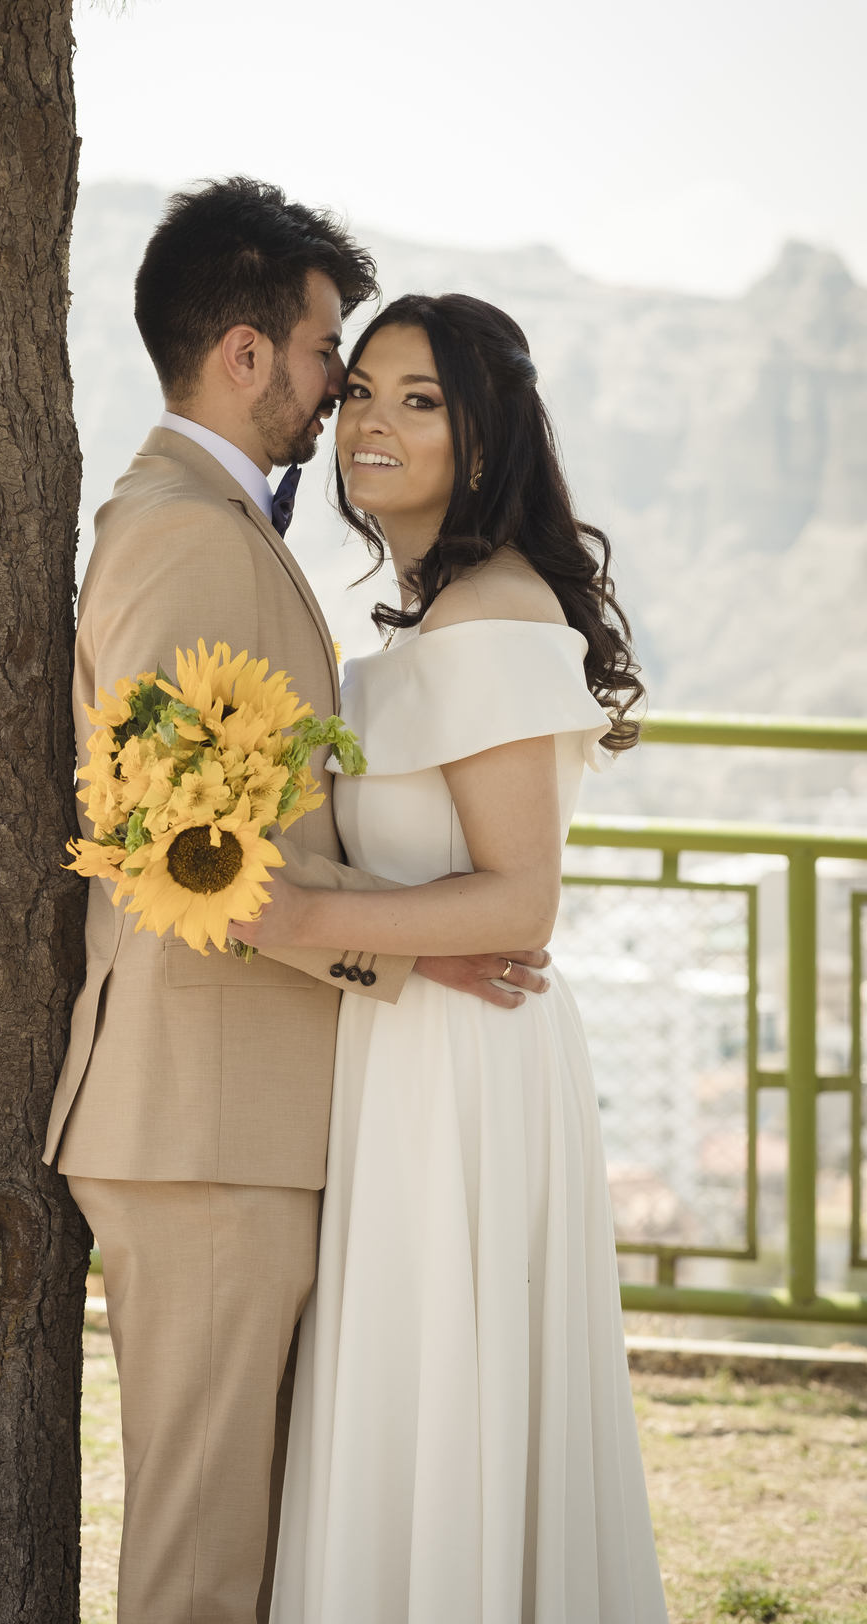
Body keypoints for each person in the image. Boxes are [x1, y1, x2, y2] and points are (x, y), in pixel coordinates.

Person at [41, 184, 552, 1624]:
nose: (342, 398)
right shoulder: (191, 533)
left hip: (235, 1111)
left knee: (240, 1540)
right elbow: (177, 843)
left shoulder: (198, 518)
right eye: (334, 355)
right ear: (251, 354)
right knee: (203, 1559)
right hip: (205, 1117)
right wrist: (408, 951)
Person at [230, 293, 669, 1623]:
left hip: (465, 1070)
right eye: (359, 389)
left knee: (443, 1390)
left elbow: (518, 903)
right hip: (412, 1043)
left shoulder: (484, 614)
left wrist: (292, 916)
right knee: (413, 1396)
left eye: (418, 400)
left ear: (483, 439)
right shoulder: (425, 610)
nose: (371, 421)